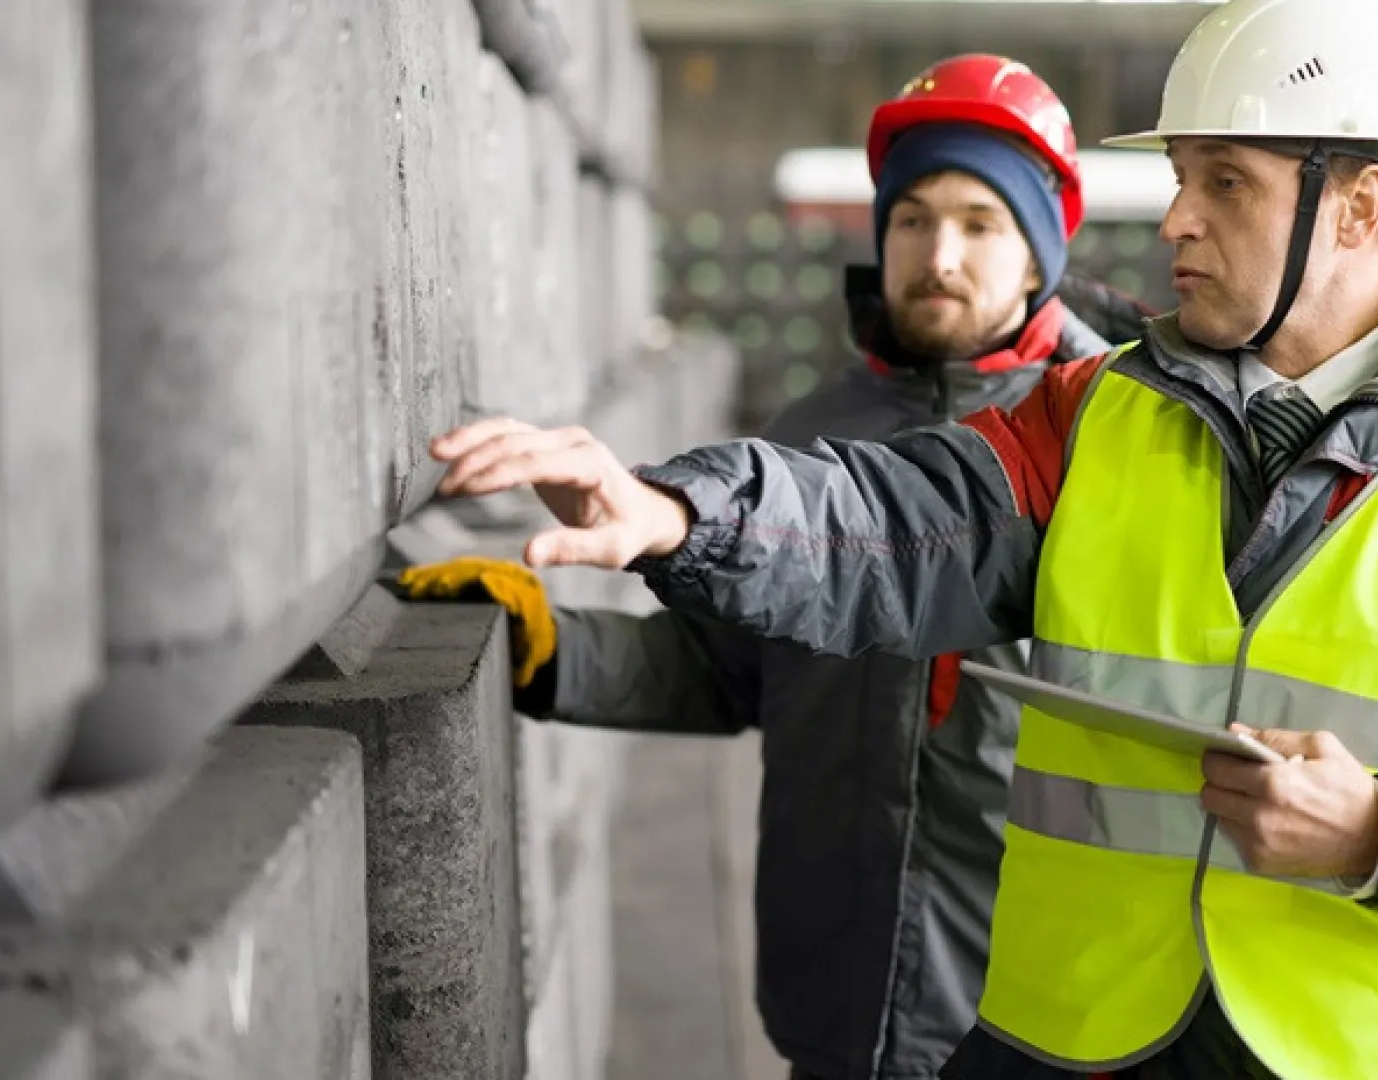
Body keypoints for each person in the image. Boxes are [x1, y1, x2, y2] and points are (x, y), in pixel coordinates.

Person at [423, 1, 1378, 1076]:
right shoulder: (1097, 416)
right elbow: (899, 515)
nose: (1174, 220)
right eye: (1180, 180)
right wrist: (673, 510)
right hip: (1073, 1043)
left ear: (1361, 207)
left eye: (1222, 183)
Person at [402, 55, 1114, 1080]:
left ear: (1043, 249)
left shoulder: (1118, 446)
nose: (938, 253)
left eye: (980, 221)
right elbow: (737, 671)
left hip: (1032, 1028)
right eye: (912, 217)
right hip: (833, 1006)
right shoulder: (818, 436)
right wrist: (553, 649)